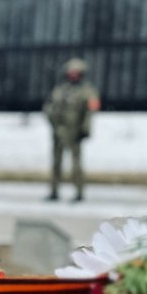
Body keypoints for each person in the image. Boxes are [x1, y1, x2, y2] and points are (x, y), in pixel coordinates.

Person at [45, 57, 99, 202]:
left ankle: (79, 192)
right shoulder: (60, 89)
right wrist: (53, 123)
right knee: (56, 163)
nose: (73, 74)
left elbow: (91, 111)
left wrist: (85, 129)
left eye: (76, 72)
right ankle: (54, 190)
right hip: (58, 131)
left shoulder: (87, 90)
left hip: (75, 132)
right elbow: (49, 107)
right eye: (71, 71)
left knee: (76, 165)